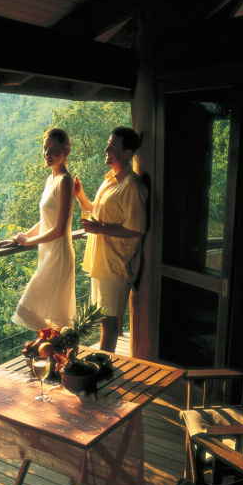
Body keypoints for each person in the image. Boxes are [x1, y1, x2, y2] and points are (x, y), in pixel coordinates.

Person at [0, 128, 76, 331]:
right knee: (53, 317)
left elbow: (59, 228)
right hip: (47, 253)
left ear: (66, 152)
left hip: (59, 255)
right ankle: (62, 354)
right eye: (45, 149)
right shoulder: (51, 180)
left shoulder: (66, 181)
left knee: (26, 311)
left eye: (53, 150)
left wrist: (28, 242)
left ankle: (59, 346)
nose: (47, 154)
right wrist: (18, 239)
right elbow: (45, 220)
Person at [75, 126, 147, 353]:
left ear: (127, 154)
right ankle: (107, 365)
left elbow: (136, 230)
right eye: (108, 143)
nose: (106, 149)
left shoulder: (132, 186)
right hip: (101, 263)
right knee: (106, 320)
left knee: (107, 322)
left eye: (112, 146)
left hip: (115, 265)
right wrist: (79, 195)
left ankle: (103, 368)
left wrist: (100, 228)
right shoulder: (110, 180)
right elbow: (95, 213)